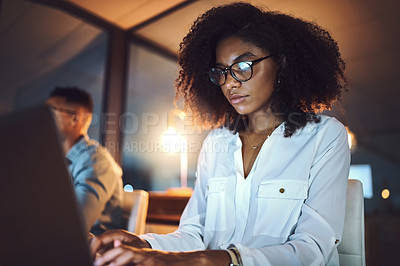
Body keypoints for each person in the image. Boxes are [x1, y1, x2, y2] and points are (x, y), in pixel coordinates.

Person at [91, 2, 350, 265]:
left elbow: (313, 248)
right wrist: (145, 243)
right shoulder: (217, 142)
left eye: (243, 66)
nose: (230, 83)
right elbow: (195, 234)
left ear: (281, 64)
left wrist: (210, 260)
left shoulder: (324, 137)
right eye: (221, 72)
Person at [46, 87, 124, 235]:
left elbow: (74, 226)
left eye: (50, 111)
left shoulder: (96, 161)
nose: (42, 118)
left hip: (88, 252)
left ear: (74, 118)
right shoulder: (57, 161)